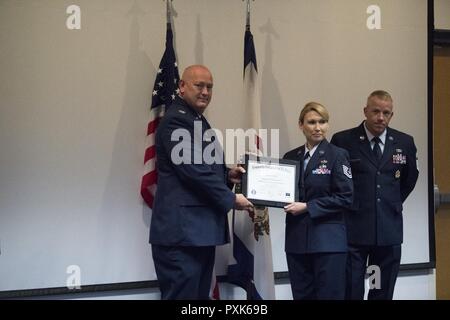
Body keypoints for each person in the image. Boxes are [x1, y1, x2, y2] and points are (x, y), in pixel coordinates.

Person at [149, 65, 254, 300]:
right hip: (182, 234)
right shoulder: (177, 120)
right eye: (199, 85)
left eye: (210, 87)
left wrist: (228, 176)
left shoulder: (196, 120)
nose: (205, 92)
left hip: (195, 232)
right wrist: (230, 198)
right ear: (182, 87)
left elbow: (199, 166)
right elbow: (194, 172)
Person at [330, 90, 419, 300]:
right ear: (365, 111)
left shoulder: (404, 142)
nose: (381, 117)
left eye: (386, 113)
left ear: (391, 115)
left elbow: (409, 180)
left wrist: (390, 203)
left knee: (380, 289)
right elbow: (336, 182)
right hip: (354, 232)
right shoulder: (344, 140)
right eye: (376, 111)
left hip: (387, 233)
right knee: (351, 291)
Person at [283, 102, 353, 300]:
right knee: (301, 296)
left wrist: (307, 207)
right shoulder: (291, 157)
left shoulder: (337, 155)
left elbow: (346, 197)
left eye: (322, 122)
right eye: (312, 122)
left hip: (327, 242)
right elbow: (283, 193)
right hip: (297, 242)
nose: (318, 127)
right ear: (301, 125)